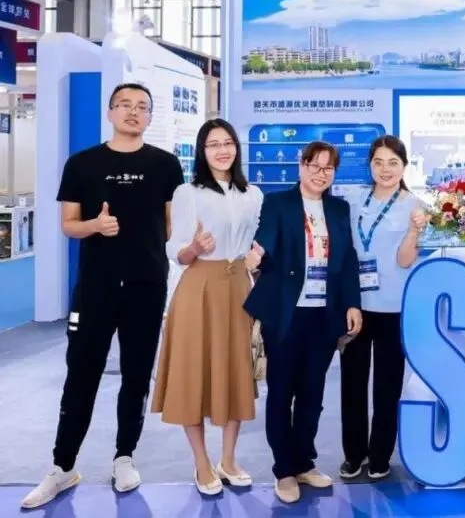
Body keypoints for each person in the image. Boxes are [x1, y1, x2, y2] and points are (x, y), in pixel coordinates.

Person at [22, 83, 184, 510]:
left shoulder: (166, 165)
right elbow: (68, 224)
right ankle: (62, 466)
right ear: (110, 113)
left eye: (142, 107)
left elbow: (170, 225)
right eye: (125, 105)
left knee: (136, 374)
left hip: (147, 286)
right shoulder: (82, 164)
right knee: (81, 374)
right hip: (96, 286)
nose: (133, 112)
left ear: (150, 117)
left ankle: (124, 457)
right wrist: (95, 226)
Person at [244, 141, 363, 504]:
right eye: (315, 166)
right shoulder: (278, 202)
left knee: (312, 393)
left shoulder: (339, 208)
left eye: (328, 168)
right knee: (282, 392)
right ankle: (284, 470)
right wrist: (258, 253)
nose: (321, 174)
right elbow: (267, 237)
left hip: (324, 313)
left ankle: (303, 462)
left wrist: (353, 304)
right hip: (287, 311)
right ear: (301, 166)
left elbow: (347, 258)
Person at [151, 118, 264, 495]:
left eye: (227, 142)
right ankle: (201, 463)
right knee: (193, 374)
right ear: (202, 151)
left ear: (236, 148)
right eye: (213, 144)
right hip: (198, 287)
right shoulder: (188, 192)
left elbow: (253, 243)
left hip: (239, 288)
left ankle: (228, 460)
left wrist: (256, 259)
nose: (222, 150)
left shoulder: (253, 194)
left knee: (237, 373)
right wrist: (194, 248)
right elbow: (176, 252)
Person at [339, 136, 427, 482]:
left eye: (393, 162)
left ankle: (379, 456)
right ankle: (353, 454)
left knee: (387, 387)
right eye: (378, 162)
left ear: (404, 166)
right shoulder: (353, 199)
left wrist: (414, 231)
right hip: (356, 307)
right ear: (369, 165)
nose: (385, 169)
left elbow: (405, 260)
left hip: (394, 308)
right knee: (352, 385)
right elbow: (344, 250)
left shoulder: (415, 206)